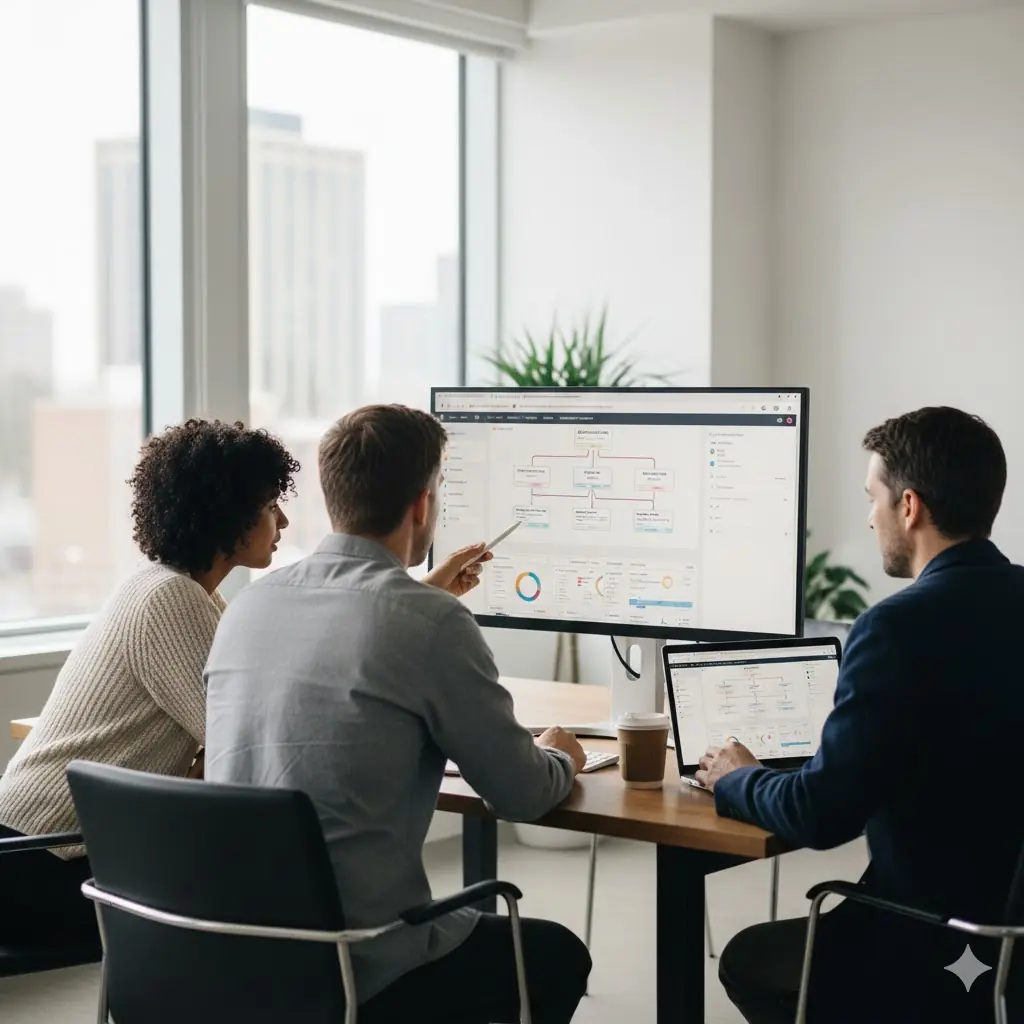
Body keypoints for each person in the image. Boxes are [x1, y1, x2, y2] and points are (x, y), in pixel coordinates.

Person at [205, 404, 592, 1023]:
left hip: (235, 948)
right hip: (359, 961)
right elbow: (521, 794)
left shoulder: (249, 607)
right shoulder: (430, 622)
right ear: (422, 504)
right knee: (556, 956)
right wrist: (561, 757)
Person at [697, 407, 1024, 1023]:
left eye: (872, 497)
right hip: (1009, 945)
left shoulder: (897, 628)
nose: (867, 517)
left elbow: (819, 814)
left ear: (909, 506)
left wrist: (737, 776)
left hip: (930, 942)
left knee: (750, 959)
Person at [0, 418, 298, 955]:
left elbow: (230, 734)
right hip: (40, 861)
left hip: (43, 850)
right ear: (228, 514)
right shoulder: (172, 599)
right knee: (258, 895)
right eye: (269, 505)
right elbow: (242, 748)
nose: (283, 520)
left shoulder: (182, 592)